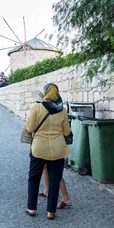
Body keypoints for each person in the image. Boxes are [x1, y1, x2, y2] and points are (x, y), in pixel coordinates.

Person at [25, 83, 71, 220]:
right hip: (58, 148)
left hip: (39, 148)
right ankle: (51, 212)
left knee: (34, 178)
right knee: (55, 179)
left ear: (45, 93)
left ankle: (32, 208)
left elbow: (30, 128)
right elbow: (67, 131)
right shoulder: (62, 110)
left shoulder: (36, 107)